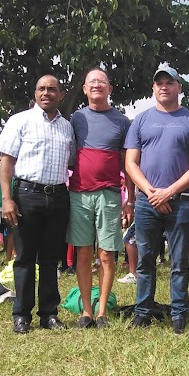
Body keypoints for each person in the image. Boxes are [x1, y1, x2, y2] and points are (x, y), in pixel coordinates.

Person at [124, 64, 189, 333]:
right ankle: (143, 311)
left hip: (179, 201)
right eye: (159, 82)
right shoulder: (141, 120)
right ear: (153, 88)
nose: (164, 86)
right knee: (145, 259)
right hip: (147, 201)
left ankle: (179, 314)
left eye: (169, 82)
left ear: (178, 87)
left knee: (179, 262)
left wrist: (168, 192)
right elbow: (130, 163)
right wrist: (151, 192)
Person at [0, 74, 74, 334]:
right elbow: (6, 162)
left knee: (51, 259)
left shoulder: (67, 127)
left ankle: (49, 314)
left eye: (52, 89)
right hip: (27, 195)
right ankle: (21, 315)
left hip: (59, 196)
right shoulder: (20, 121)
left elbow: (71, 163)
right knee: (25, 258)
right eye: (41, 89)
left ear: (61, 94)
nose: (46, 93)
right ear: (35, 93)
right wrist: (7, 199)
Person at [68, 68, 134, 329]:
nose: (96, 85)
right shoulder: (75, 119)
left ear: (110, 88)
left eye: (101, 82)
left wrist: (130, 200)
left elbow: (128, 162)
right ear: (84, 89)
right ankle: (86, 311)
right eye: (91, 82)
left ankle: (102, 312)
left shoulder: (122, 121)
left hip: (109, 194)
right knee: (83, 252)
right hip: (78, 194)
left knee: (107, 254)